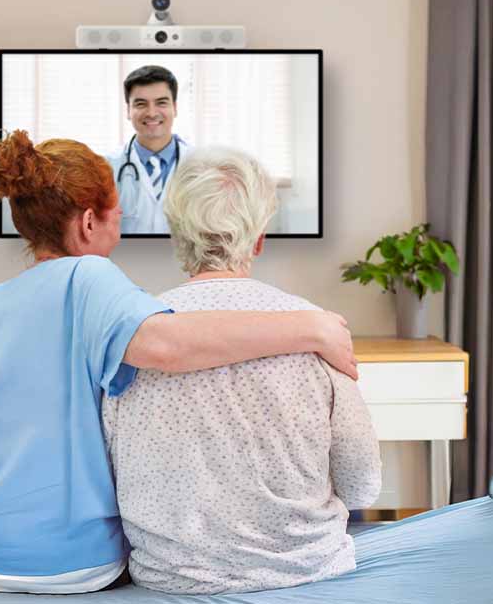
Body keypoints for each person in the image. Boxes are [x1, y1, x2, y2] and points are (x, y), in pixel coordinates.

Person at [0, 131, 361, 595]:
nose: (123, 214)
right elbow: (170, 345)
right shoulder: (88, 276)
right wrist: (313, 327)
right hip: (66, 564)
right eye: (116, 206)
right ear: (89, 223)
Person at [102, 146, 383, 594]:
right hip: (307, 572)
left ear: (177, 234)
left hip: (173, 578)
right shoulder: (317, 330)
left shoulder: (135, 334)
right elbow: (363, 484)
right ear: (258, 238)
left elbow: (110, 473)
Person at [106, 65, 190, 234]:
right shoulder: (107, 167)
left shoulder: (202, 166)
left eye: (161, 103)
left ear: (175, 108)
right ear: (129, 110)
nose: (151, 113)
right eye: (141, 104)